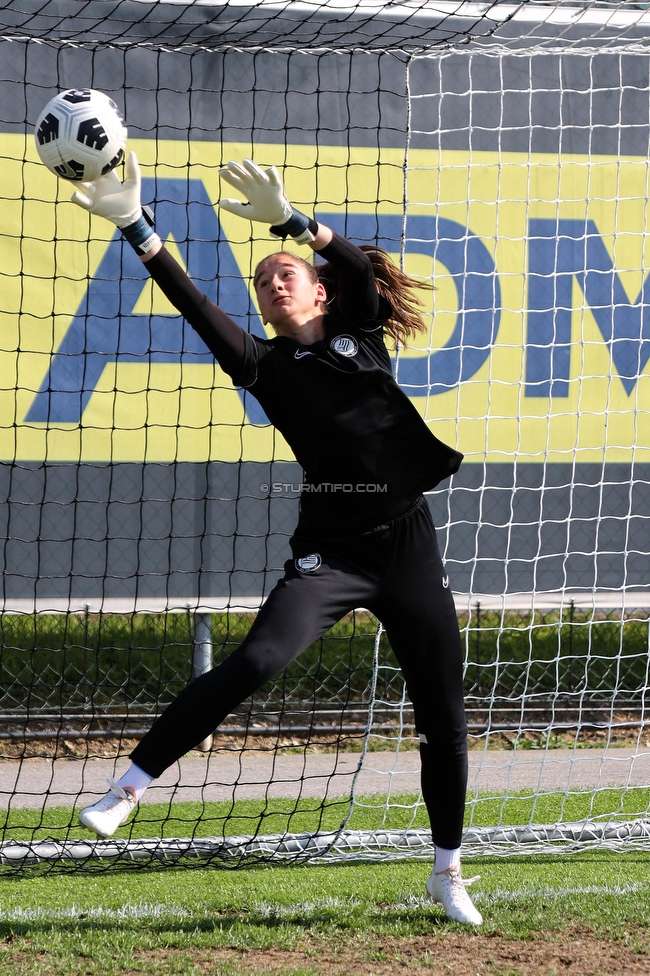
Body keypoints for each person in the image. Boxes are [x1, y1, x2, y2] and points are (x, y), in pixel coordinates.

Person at [73, 155, 481, 926]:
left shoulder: (357, 327)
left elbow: (357, 265)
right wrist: (137, 228)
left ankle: (448, 869)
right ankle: (128, 787)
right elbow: (192, 303)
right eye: (262, 281)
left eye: (284, 273)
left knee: (443, 715)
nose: (271, 282)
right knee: (256, 659)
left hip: (407, 546)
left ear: (318, 291)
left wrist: (295, 223)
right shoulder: (263, 363)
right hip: (333, 549)